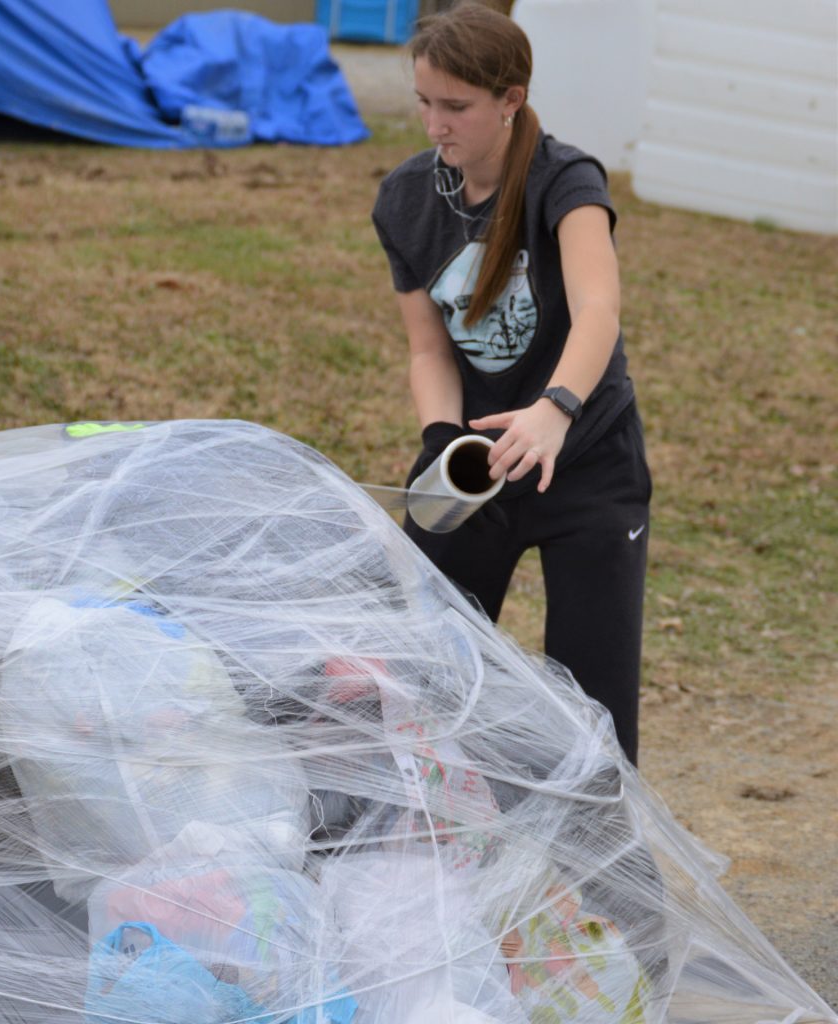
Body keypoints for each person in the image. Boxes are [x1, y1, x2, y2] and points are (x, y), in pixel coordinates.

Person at [372, 0, 651, 764]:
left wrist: (555, 410)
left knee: (595, 711)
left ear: (510, 99)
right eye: (424, 102)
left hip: (587, 465)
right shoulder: (404, 200)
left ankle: (603, 846)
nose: (435, 126)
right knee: (415, 678)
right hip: (478, 471)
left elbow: (599, 308)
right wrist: (442, 441)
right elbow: (429, 351)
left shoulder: (567, 180)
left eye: (456, 107)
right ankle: (425, 828)